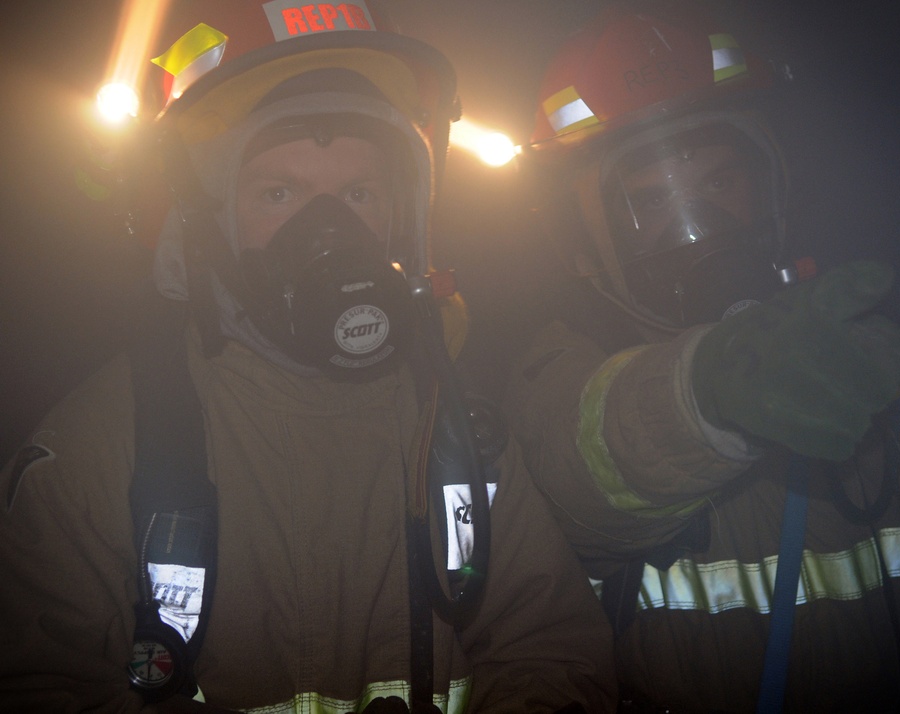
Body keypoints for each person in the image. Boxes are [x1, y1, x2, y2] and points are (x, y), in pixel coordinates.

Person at [0, 2, 616, 712]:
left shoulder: (458, 433)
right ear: (208, 225)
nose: (329, 231)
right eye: (280, 193)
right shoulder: (103, 451)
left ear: (406, 213)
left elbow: (554, 652)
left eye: (358, 193)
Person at [501, 2, 900, 712]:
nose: (698, 227)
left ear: (771, 185)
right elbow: (578, 468)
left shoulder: (858, 330)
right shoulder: (563, 362)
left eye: (719, 182)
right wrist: (705, 396)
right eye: (648, 201)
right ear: (587, 235)